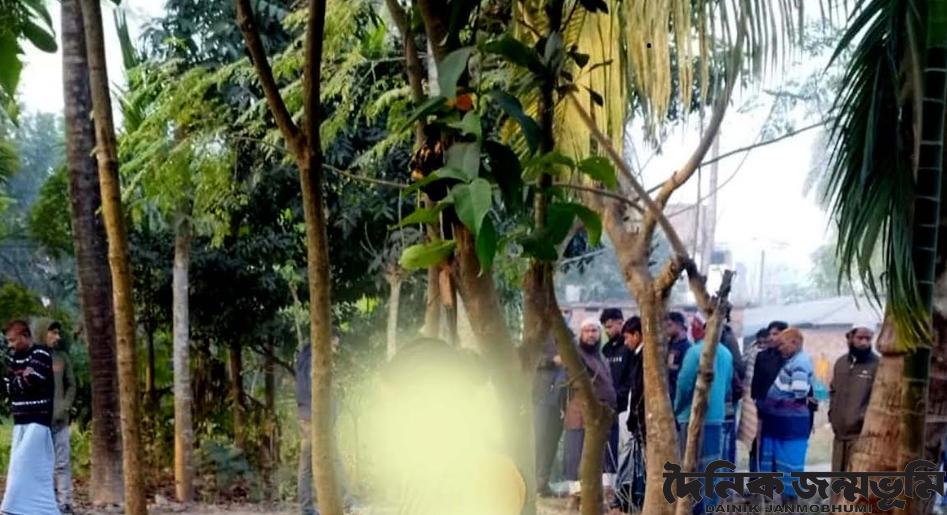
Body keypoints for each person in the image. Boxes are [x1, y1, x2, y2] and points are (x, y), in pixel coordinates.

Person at [2, 319, 59, 515]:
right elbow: (8, 385)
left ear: (25, 336)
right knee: (19, 468)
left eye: (13, 340)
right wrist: (20, 380)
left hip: (38, 421)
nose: (10, 345)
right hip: (20, 422)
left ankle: (20, 508)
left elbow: (32, 380)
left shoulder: (41, 354)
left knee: (25, 466)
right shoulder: (15, 358)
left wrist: (18, 382)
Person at [673, 330, 734, 515]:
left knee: (691, 466)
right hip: (716, 417)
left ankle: (693, 509)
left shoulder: (694, 352)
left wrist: (676, 409)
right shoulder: (726, 353)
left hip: (691, 417)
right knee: (711, 466)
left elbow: (684, 385)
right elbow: (728, 385)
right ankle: (709, 508)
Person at [295, 331, 353, 515]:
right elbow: (315, 392)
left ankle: (308, 508)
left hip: (309, 416)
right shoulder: (314, 361)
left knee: (309, 464)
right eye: (333, 346)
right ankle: (347, 502)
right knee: (330, 459)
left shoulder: (305, 357)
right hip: (316, 418)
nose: (335, 351)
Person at [563, 318, 617, 505]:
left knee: (605, 455)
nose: (591, 335)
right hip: (580, 413)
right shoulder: (575, 356)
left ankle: (605, 493)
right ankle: (576, 495)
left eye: (594, 331)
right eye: (586, 331)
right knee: (575, 453)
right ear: (581, 334)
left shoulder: (601, 357)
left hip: (603, 414)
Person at [756, 328, 814, 503]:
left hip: (790, 426)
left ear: (794, 343)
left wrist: (775, 402)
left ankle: (790, 506)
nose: (779, 348)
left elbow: (799, 392)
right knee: (782, 465)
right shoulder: (793, 361)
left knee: (790, 467)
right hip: (780, 424)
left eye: (782, 344)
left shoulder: (800, 363)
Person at [36, 319, 76, 514]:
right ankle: (46, 503)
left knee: (62, 463)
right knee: (41, 465)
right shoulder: (32, 358)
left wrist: (65, 406)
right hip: (38, 423)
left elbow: (71, 385)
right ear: (43, 333)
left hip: (60, 421)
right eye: (53, 333)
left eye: (58, 333)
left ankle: (65, 503)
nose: (57, 337)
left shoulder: (61, 358)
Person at [829, 326, 878, 472]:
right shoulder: (840, 363)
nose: (864, 343)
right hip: (839, 437)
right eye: (860, 338)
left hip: (861, 437)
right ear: (850, 337)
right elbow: (833, 391)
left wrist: (863, 419)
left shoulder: (877, 365)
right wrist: (832, 416)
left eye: (868, 339)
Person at [745, 320, 789, 471]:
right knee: (759, 448)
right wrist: (758, 409)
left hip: (784, 411)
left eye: (776, 334)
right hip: (764, 410)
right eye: (770, 334)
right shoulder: (762, 356)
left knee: (781, 451)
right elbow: (756, 386)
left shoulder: (790, 358)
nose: (771, 337)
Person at [613, 317, 645, 513]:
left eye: (627, 337)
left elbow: (639, 391)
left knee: (629, 457)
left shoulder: (643, 357)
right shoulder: (637, 356)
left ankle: (624, 496)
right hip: (632, 414)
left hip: (636, 418)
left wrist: (633, 419)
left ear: (637, 335)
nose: (625, 343)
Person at [533, 332, 566, 497]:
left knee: (552, 443)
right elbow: (528, 360)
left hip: (559, 402)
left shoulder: (568, 338)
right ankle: (533, 482)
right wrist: (552, 361)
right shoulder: (538, 336)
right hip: (541, 399)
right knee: (539, 440)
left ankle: (543, 483)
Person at [600, 308, 630, 484]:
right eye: (605, 327)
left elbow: (631, 377)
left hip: (625, 405)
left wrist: (620, 396)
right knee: (609, 443)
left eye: (610, 326)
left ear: (620, 322)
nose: (608, 331)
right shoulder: (605, 349)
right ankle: (609, 483)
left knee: (624, 445)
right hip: (608, 405)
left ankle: (625, 483)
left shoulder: (628, 347)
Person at [665, 312, 691, 403]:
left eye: (669, 325)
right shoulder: (668, 345)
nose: (667, 328)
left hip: (678, 394)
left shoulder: (687, 347)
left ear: (679, 325)